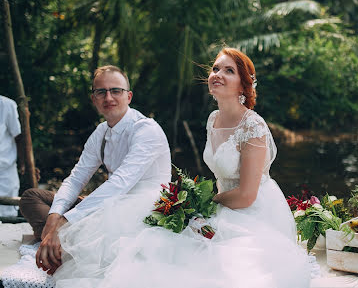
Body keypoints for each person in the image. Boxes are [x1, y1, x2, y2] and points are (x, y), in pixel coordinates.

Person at [49, 49, 311, 288]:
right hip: (223, 204)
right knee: (165, 248)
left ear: (243, 84)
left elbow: (247, 195)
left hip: (253, 211)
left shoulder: (253, 125)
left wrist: (201, 202)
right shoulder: (213, 119)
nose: (218, 74)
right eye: (216, 69)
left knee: (210, 267)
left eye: (228, 71)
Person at [18, 65, 171, 275]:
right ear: (94, 99)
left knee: (80, 230)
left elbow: (120, 183)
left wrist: (66, 220)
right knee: (31, 198)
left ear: (129, 96)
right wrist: (55, 215)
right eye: (101, 92)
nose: (108, 97)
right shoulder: (101, 132)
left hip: (141, 210)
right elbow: (76, 178)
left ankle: (63, 243)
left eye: (115, 90)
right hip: (109, 204)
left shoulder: (146, 130)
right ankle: (59, 240)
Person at [0, 95, 22, 217]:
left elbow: (19, 137)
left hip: (4, 174)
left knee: (6, 219)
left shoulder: (6, 105)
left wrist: (24, 164)